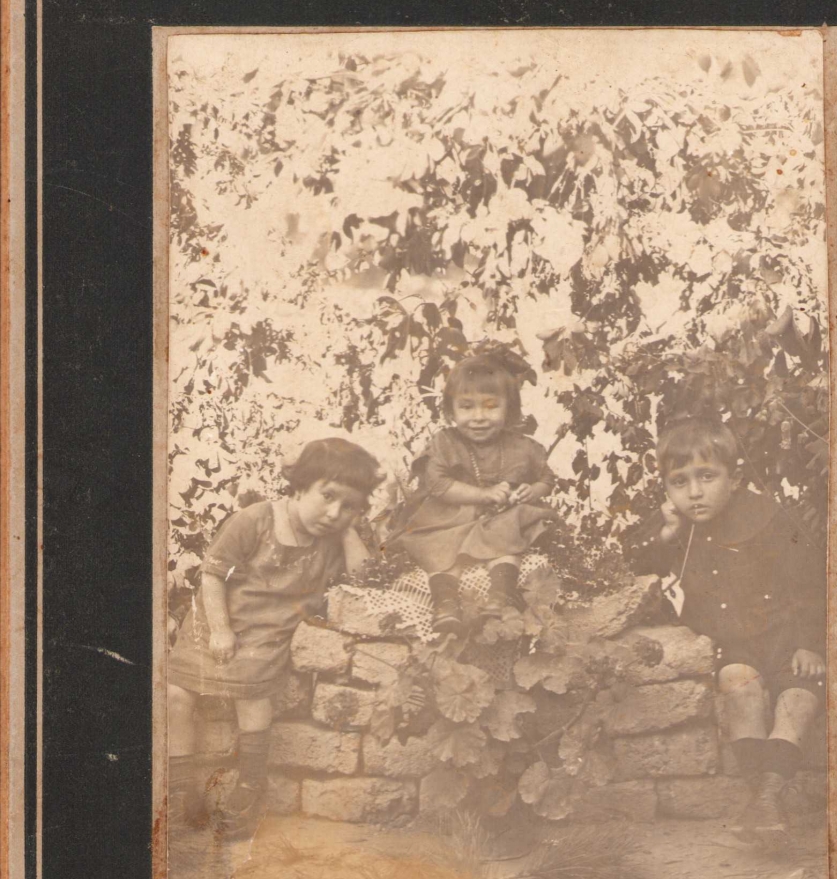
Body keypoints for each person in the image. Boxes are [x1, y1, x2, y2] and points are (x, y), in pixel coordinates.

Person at [167, 437, 382, 842]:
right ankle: (180, 790)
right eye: (328, 496)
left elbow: (365, 579)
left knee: (253, 695)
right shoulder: (256, 520)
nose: (334, 513)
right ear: (300, 485)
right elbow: (212, 576)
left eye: (349, 506)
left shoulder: (331, 538)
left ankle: (250, 787)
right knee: (175, 695)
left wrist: (348, 530)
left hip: (266, 637)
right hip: (216, 624)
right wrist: (220, 629)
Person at [624, 418, 826, 837]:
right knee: (738, 688)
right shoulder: (680, 529)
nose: (694, 493)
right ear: (666, 488)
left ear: (733, 478)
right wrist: (667, 533)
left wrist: (809, 643)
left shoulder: (768, 518)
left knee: (798, 697)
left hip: (786, 638)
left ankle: (769, 793)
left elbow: (808, 582)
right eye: (679, 482)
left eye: (707, 477)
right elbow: (640, 573)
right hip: (735, 644)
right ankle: (763, 801)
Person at [391, 352, 557, 634]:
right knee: (439, 547)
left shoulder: (522, 446)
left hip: (498, 516)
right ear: (451, 411)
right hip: (451, 514)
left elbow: (547, 479)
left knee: (509, 531)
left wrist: (532, 491)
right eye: (466, 407)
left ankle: (500, 596)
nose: (478, 417)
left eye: (491, 407)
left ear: (509, 410)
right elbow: (438, 485)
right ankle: (445, 603)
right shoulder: (444, 442)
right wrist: (484, 495)